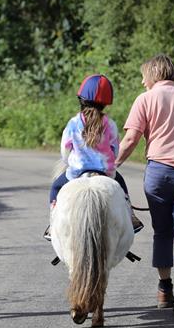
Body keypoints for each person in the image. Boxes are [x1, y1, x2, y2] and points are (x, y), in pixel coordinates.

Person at [115, 54, 174, 314]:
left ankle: (165, 289)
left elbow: (131, 139)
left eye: (144, 76)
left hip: (159, 174)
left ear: (154, 74)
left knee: (163, 231)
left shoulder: (145, 99)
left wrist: (112, 166)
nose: (143, 81)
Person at [44, 74, 144, 241]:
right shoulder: (110, 124)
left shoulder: (74, 122)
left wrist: (70, 162)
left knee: (55, 187)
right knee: (122, 187)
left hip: (77, 171)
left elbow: (65, 150)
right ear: (105, 103)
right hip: (106, 172)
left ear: (81, 100)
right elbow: (115, 149)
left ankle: (53, 224)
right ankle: (131, 217)